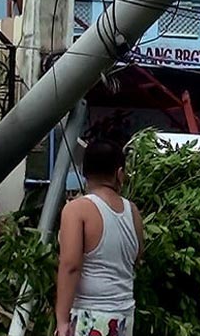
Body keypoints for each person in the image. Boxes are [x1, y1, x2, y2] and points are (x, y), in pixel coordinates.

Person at [55, 139, 144, 336]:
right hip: (123, 317)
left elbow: (70, 266)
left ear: (83, 172)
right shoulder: (133, 211)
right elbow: (137, 257)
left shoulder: (76, 209)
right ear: (119, 173)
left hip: (90, 315)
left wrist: (62, 320)